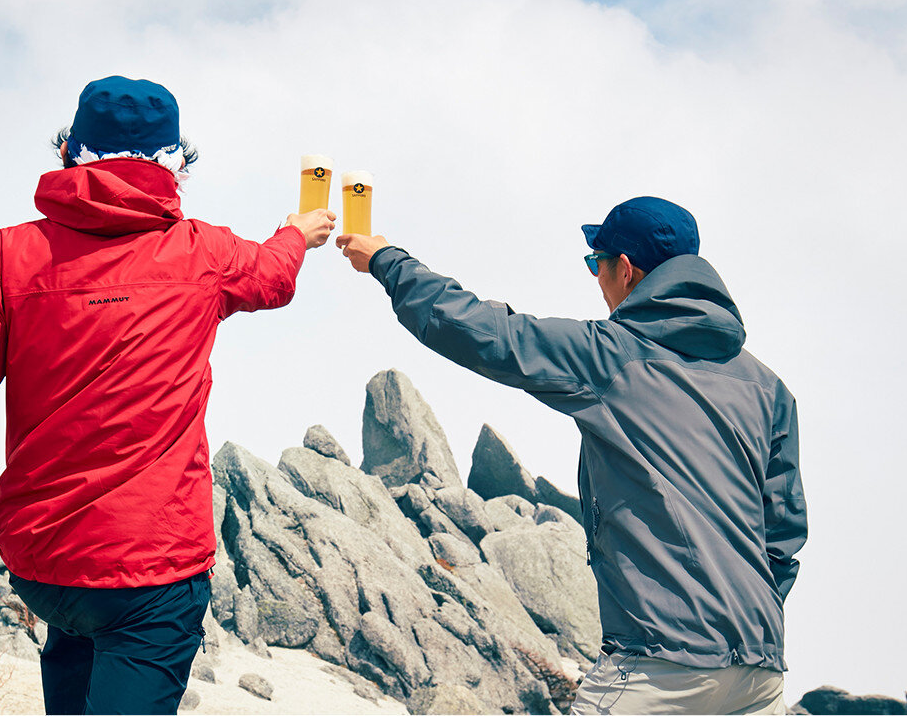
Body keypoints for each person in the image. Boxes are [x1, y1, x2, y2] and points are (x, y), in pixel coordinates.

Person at [0, 76, 336, 715]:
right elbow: (273, 276)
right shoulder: (205, 253)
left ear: (70, 153)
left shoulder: (6, 258)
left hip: (46, 569)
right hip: (152, 572)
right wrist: (296, 233)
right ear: (174, 165)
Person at [338, 196, 807, 716]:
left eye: (595, 263)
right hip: (759, 669)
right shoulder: (769, 388)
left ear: (626, 270)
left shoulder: (613, 353)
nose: (596, 278)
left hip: (662, 662)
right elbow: (783, 535)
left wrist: (387, 260)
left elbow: (485, 331)